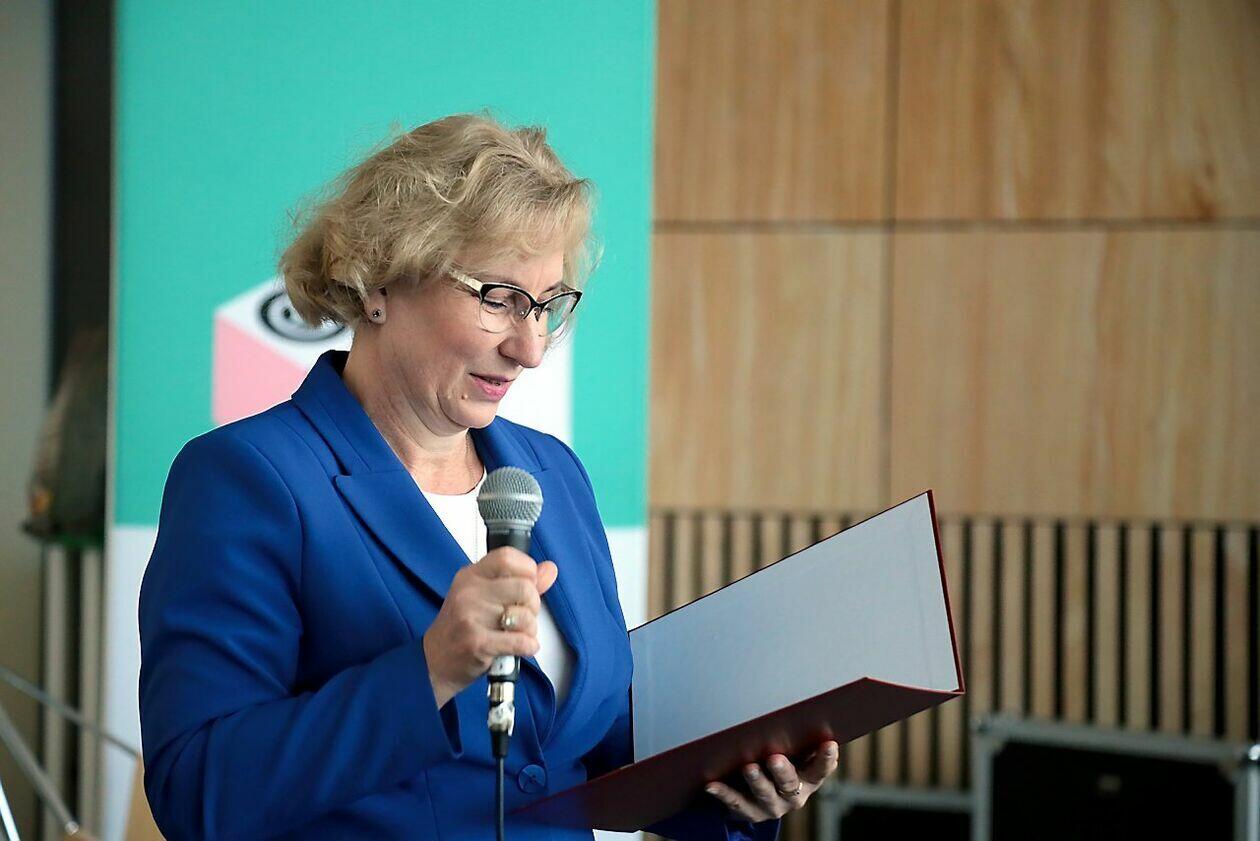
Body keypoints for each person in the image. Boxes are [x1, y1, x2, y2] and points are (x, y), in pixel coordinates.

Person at [137, 113, 839, 840]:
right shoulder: (249, 478)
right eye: (498, 298)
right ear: (379, 281)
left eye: (547, 305)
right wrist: (431, 671)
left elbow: (586, 741)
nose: (529, 349)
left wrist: (738, 782)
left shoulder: (551, 472)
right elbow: (197, 790)